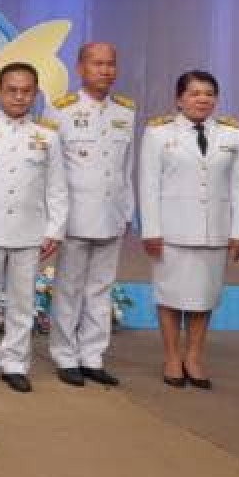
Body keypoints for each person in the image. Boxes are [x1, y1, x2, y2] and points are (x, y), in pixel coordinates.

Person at [139, 70, 239, 390]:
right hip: (171, 232)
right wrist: (151, 229)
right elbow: (148, 184)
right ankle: (172, 357)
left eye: (209, 93)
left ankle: (194, 357)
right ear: (179, 99)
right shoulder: (158, 133)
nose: (203, 99)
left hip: (215, 231)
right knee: (170, 296)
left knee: (204, 297)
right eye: (194, 93)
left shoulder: (231, 134)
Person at [0, 63, 68, 392]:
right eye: (12, 90)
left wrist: (54, 230)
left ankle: (15, 363)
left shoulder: (48, 136)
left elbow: (57, 188)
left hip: (29, 231)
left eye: (26, 91)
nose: (19, 97)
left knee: (23, 302)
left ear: (35, 94)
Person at [48, 41, 136, 387]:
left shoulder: (125, 112)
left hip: (111, 213)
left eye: (110, 63)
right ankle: (65, 355)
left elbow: (126, 168)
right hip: (74, 214)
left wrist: (127, 211)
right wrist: (54, 218)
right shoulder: (61, 110)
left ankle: (92, 355)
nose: (105, 70)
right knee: (68, 288)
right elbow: (52, 170)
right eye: (97, 64)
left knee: (101, 288)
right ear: (80, 68)